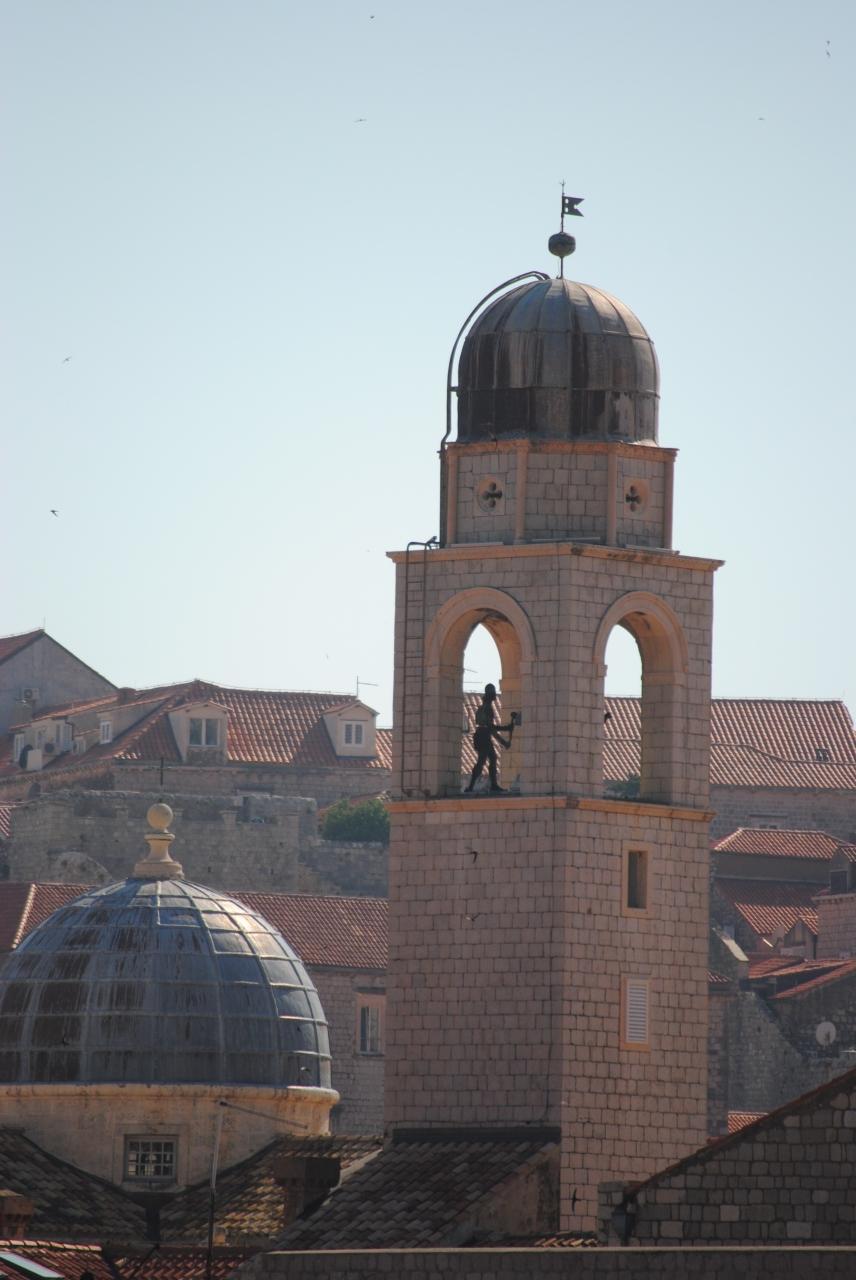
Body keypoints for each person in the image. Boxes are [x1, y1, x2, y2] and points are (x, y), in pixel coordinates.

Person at [464, 683, 515, 793]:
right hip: (483, 737)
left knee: (492, 758)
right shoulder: (487, 709)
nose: (495, 694)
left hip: (481, 736)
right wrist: (506, 730)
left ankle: (493, 785)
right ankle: (471, 786)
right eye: (494, 693)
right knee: (482, 761)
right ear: (490, 695)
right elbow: (491, 728)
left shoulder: (482, 708)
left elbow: (490, 729)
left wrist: (504, 739)